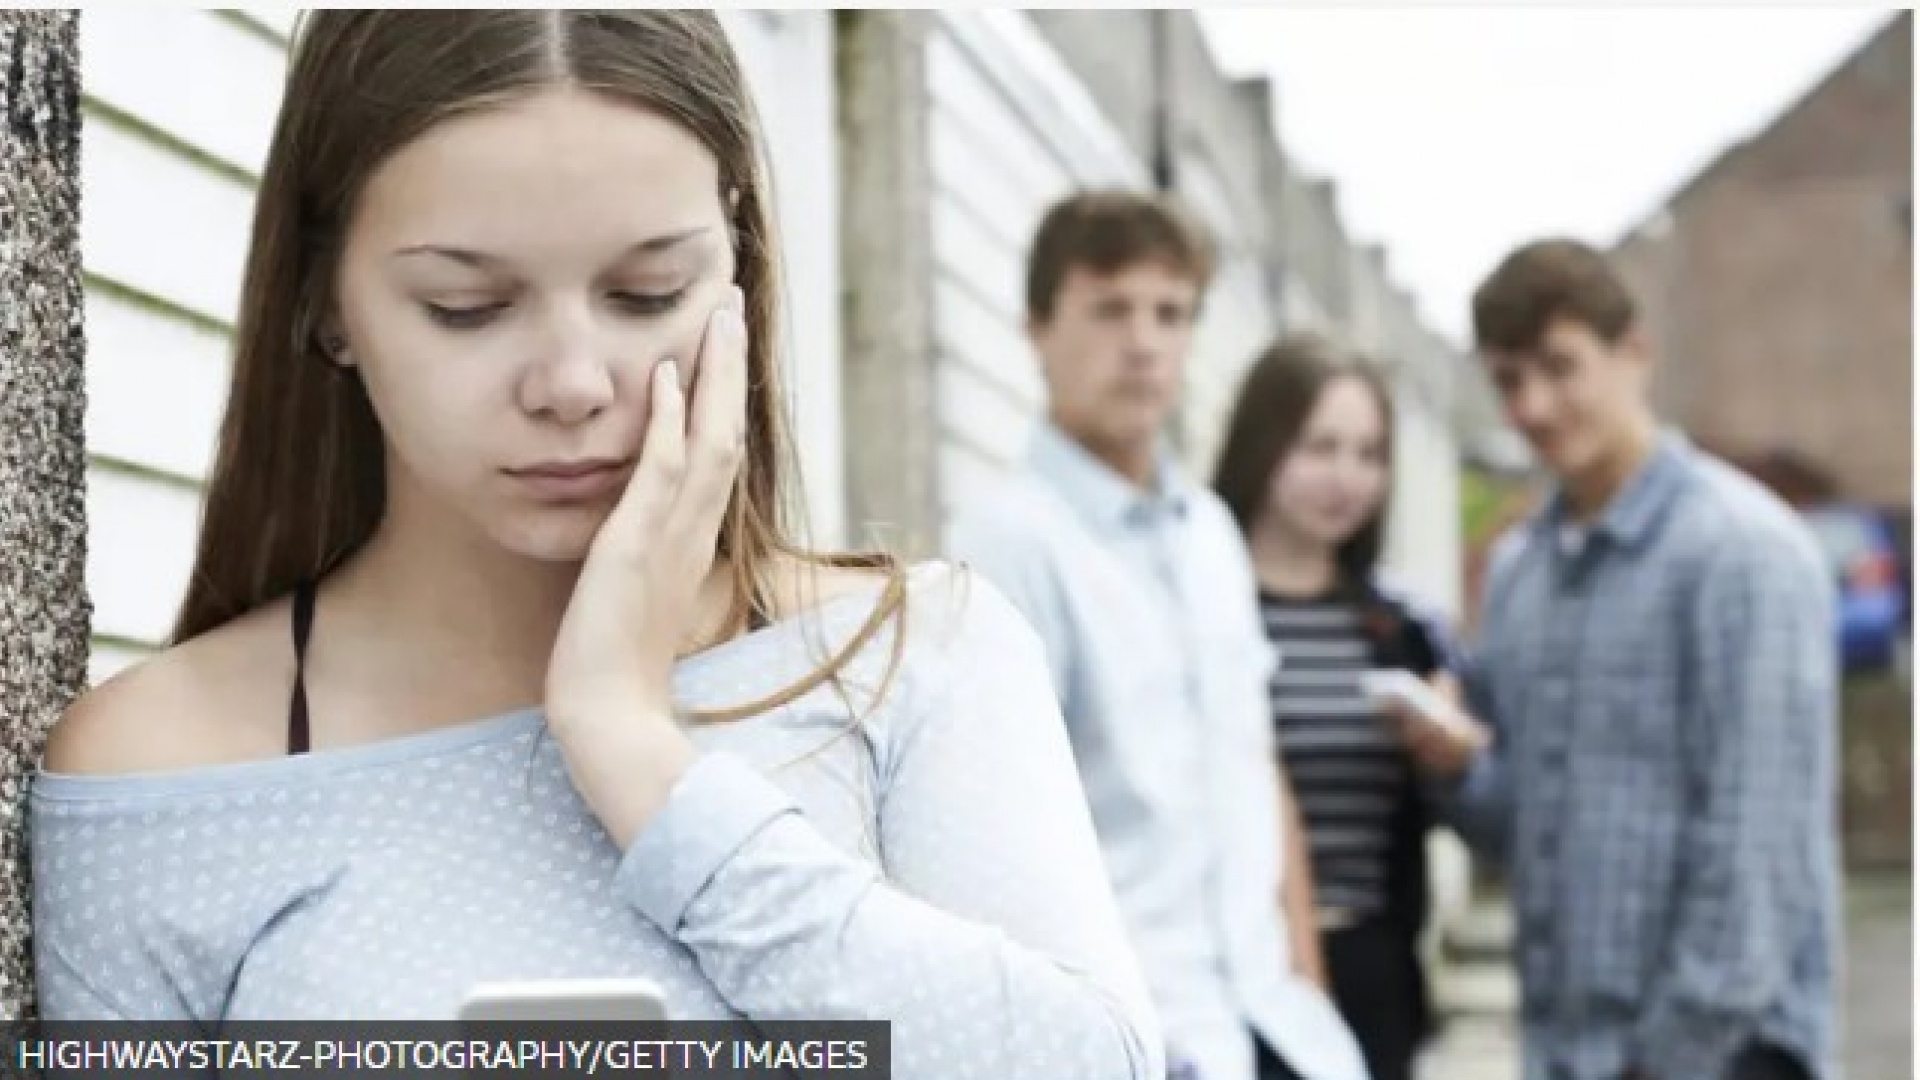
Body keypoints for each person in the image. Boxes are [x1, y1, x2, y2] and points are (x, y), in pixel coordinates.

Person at [28, 12, 1165, 1078]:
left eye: (645, 292)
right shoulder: (159, 772)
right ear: (328, 302)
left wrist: (635, 753)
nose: (572, 385)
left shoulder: (910, 660)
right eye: (466, 307)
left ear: (738, 277)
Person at [1383, 238, 1841, 1080]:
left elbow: (1754, 857)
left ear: (1635, 353)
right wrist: (1452, 765)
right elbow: (1523, 827)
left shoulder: (1744, 552)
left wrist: (1665, 1059)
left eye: (1561, 367)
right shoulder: (1522, 570)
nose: (1535, 406)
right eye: (1510, 379)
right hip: (1565, 1051)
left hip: (1722, 1056)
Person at [946, 191, 1369, 1080]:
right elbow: (990, 834)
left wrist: (1309, 982)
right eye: (1110, 308)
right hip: (1141, 1033)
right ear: (1036, 328)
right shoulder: (1009, 542)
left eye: (1170, 313)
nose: (1143, 342)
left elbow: (1258, 766)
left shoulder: (1211, 531)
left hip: (1279, 1026)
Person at [1210, 332, 1458, 1080]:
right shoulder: (1200, 613)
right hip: (1230, 974)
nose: (1345, 478)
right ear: (1263, 442)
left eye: (1368, 453)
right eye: (1320, 447)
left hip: (1370, 977)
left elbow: (1456, 805)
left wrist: (1452, 754)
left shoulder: (1400, 632)